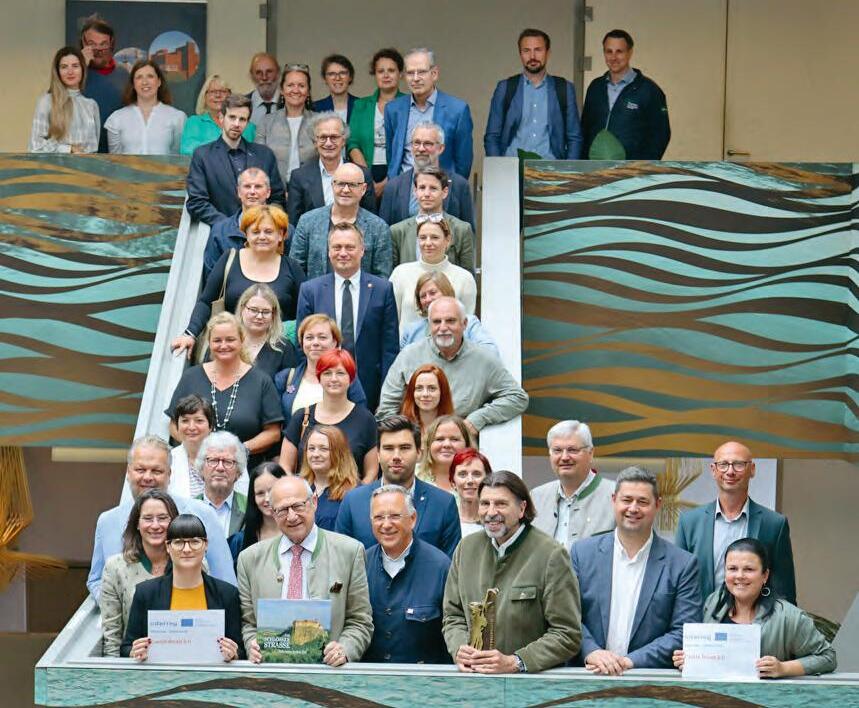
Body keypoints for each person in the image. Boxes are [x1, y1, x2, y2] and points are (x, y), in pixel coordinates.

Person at [442, 471, 582, 673]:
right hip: (473, 682)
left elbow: (567, 634)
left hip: (529, 685)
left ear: (522, 508)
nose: (491, 512)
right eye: (485, 503)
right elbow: (452, 615)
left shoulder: (551, 555)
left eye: (501, 504)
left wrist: (517, 662)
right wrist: (460, 649)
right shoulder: (466, 549)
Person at [571, 466, 701, 673]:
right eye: (627, 500)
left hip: (648, 679)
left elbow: (683, 631)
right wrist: (592, 651)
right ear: (614, 500)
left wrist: (629, 661)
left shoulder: (682, 564)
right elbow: (567, 617)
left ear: (658, 505)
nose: (633, 508)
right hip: (588, 675)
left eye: (642, 502)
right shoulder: (582, 553)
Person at [237, 475, 373, 665]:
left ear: (314, 502)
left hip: (329, 672)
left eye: (298, 506)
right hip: (271, 672)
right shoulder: (250, 559)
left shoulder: (349, 551)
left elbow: (360, 621)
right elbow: (249, 624)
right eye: (282, 510)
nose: (292, 516)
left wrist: (345, 649)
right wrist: (252, 645)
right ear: (273, 514)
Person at [87, 435, 236, 600]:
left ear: (169, 474)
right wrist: (116, 604)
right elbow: (96, 580)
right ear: (128, 472)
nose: (148, 477)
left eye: (156, 471)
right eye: (140, 470)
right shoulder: (107, 522)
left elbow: (226, 581)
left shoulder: (202, 514)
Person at [673, 538, 836, 678]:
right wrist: (691, 660)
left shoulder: (789, 617)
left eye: (749, 569)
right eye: (732, 569)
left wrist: (783, 668)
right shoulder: (713, 604)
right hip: (717, 697)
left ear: (765, 575)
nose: (739, 576)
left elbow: (827, 657)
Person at [377, 297, 529, 433]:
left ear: (464, 324)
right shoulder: (409, 356)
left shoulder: (483, 360)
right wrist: (406, 438)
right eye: (437, 322)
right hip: (414, 442)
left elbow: (517, 397)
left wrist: (477, 419)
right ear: (429, 325)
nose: (443, 328)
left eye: (450, 321)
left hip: (457, 445)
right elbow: (386, 409)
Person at [173, 205, 305, 359]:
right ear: (246, 234)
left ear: (281, 235)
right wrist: (190, 334)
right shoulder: (229, 259)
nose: (262, 237)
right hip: (227, 347)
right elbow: (206, 302)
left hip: (274, 353)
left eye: (269, 232)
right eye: (255, 232)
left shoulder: (292, 268)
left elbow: (306, 310)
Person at [676, 440, 797, 604]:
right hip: (702, 617)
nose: (730, 471)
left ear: (752, 469)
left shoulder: (774, 524)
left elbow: (784, 592)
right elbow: (678, 583)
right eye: (723, 464)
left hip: (756, 618)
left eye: (739, 464)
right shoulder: (689, 522)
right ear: (713, 470)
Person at [295, 221, 399, 410]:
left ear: (362, 250)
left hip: (371, 387)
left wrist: (386, 395)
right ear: (329, 251)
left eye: (350, 247)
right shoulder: (310, 290)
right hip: (323, 386)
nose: (343, 253)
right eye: (337, 247)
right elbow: (302, 344)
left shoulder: (382, 289)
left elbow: (389, 348)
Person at [166, 312, 283, 469]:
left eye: (230, 339)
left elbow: (273, 433)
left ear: (242, 340)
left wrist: (238, 451)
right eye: (217, 340)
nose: (223, 345)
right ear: (209, 343)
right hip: (194, 467)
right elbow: (173, 425)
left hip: (242, 470)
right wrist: (196, 448)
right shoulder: (191, 376)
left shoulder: (261, 381)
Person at [122, 514, 244, 661]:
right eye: (178, 542)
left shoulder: (227, 594)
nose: (187, 549)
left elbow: (241, 650)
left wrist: (233, 653)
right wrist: (135, 651)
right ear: (168, 547)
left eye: (195, 542)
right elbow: (126, 647)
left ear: (206, 545)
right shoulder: (146, 593)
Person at [336, 415, 461, 557]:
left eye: (404, 448)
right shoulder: (353, 502)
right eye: (388, 448)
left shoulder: (443, 504)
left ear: (419, 453)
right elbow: (341, 559)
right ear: (378, 455)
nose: (396, 456)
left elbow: (451, 565)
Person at [364, 484, 451, 663]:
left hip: (424, 677)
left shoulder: (440, 567)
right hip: (369, 676)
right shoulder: (360, 564)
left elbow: (453, 626)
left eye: (395, 516)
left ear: (412, 519)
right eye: (379, 517)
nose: (386, 525)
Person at [100, 489, 179, 657]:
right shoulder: (115, 567)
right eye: (148, 518)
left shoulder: (193, 563)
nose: (155, 525)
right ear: (136, 523)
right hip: (134, 664)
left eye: (163, 518)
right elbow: (112, 637)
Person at [186, 94, 285, 226]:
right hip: (221, 233)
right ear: (221, 118)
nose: (236, 124)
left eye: (242, 119)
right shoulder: (203, 155)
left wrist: (263, 224)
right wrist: (229, 226)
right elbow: (196, 202)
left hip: (260, 232)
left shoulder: (265, 155)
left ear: (247, 123)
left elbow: (277, 198)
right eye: (232, 117)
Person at [281, 349, 379, 483]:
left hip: (350, 493)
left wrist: (356, 494)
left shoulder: (365, 419)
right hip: (306, 494)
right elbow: (285, 466)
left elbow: (372, 472)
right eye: (327, 373)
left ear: (350, 378)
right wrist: (298, 490)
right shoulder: (302, 416)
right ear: (319, 378)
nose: (334, 379)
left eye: (340, 373)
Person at [484, 28, 582, 159]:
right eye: (526, 50)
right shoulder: (506, 87)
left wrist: (568, 169)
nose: (532, 56)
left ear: (548, 53)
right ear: (520, 54)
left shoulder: (564, 88)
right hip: (512, 167)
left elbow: (574, 137)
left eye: (538, 50)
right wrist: (499, 167)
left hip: (550, 168)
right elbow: (492, 136)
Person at [289, 162, 392, 279]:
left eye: (352, 185)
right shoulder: (307, 222)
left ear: (363, 189)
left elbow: (382, 276)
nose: (346, 190)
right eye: (341, 184)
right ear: (332, 185)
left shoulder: (379, 228)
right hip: (315, 291)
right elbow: (296, 271)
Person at [581, 29, 670, 160]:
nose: (613, 57)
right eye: (609, 51)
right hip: (595, 168)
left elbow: (661, 134)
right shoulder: (595, 87)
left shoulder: (649, 90)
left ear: (630, 52)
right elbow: (585, 129)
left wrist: (643, 166)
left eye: (619, 51)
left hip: (632, 169)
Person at [385, 48, 473, 179]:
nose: (415, 78)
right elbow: (392, 155)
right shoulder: (393, 109)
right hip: (403, 186)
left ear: (434, 74)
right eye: (410, 73)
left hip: (440, 186)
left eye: (421, 72)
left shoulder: (457, 110)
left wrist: (450, 187)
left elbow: (463, 162)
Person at [531, 420, 615, 548]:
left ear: (590, 453)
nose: (564, 457)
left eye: (572, 450)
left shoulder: (617, 496)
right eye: (557, 450)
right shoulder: (536, 497)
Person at [286, 113, 376, 228]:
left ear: (343, 141)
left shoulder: (362, 175)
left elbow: (371, 220)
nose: (328, 143)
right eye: (323, 137)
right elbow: (294, 224)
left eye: (334, 137)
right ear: (315, 142)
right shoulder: (299, 177)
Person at [379, 121, 474, 229]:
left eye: (428, 143)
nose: (421, 149)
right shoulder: (393, 186)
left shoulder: (459, 185)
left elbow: (468, 232)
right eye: (416, 143)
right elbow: (384, 232)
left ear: (441, 148)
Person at [390, 218, 476, 335]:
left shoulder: (465, 278)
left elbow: (467, 326)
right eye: (423, 238)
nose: (428, 243)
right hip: (407, 345)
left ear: (448, 240)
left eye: (434, 237)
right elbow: (391, 322)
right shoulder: (400, 273)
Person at [203, 168, 294, 280]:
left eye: (258, 187)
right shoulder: (220, 231)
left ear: (268, 192)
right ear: (238, 192)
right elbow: (211, 276)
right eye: (247, 186)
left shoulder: (285, 229)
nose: (252, 192)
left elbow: (293, 271)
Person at [274, 314, 367, 417]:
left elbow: (360, 416)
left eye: (322, 337)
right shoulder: (285, 378)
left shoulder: (347, 377)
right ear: (302, 343)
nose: (315, 343)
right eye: (309, 338)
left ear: (334, 342)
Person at [347, 48, 406, 200]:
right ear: (375, 75)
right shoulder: (361, 105)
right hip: (365, 172)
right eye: (380, 71)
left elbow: (409, 146)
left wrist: (388, 181)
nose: (386, 75)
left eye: (391, 70)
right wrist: (367, 177)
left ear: (400, 74)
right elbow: (352, 143)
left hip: (400, 174)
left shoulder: (409, 105)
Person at [390, 167, 474, 271]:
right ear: (415, 191)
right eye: (422, 188)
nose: (426, 194)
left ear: (445, 192)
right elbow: (393, 275)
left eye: (433, 188)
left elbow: (467, 274)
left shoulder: (462, 230)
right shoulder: (398, 231)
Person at [399, 272, 499, 355]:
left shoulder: (469, 323)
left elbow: (491, 352)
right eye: (423, 296)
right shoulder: (411, 331)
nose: (428, 299)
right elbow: (399, 364)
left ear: (446, 292)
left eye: (432, 293)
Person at [104, 60, 185, 154]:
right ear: (133, 84)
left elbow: (177, 157)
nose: (145, 82)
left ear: (159, 82)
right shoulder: (116, 118)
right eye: (139, 77)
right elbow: (114, 159)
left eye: (150, 76)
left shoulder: (177, 117)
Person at [255, 64, 316, 185]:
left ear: (308, 91)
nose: (296, 90)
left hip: (311, 189)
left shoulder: (320, 122)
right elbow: (258, 159)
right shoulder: (266, 122)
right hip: (274, 189)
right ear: (282, 90)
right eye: (290, 85)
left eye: (301, 86)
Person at [30, 46, 99, 154]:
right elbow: (35, 146)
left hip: (86, 164)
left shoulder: (91, 105)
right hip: (56, 164)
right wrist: (68, 149)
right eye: (64, 67)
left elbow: (93, 148)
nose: (70, 72)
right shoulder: (46, 101)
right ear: (58, 72)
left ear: (83, 69)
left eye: (75, 66)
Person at [79, 16, 129, 153]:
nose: (98, 50)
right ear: (83, 44)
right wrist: (80, 66)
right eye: (92, 44)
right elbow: (57, 102)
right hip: (81, 151)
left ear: (111, 44)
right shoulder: (72, 74)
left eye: (103, 44)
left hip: (116, 152)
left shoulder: (124, 75)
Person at [300, 425, 359, 531]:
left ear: (339, 453)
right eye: (311, 448)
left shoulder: (355, 492)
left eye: (323, 449)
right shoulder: (298, 485)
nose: (315, 454)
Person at [180, 74, 256, 155]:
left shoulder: (247, 126)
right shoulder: (194, 122)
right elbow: (187, 149)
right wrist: (225, 145)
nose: (218, 95)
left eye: (223, 91)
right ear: (205, 97)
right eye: (212, 92)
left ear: (230, 96)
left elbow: (250, 152)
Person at [234, 283, 298, 379]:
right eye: (254, 310)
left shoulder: (284, 348)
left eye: (266, 312)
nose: (259, 316)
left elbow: (290, 384)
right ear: (242, 309)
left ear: (273, 315)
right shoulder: (225, 341)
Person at [196, 431, 248, 539]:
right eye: (213, 460)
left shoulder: (249, 508)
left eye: (228, 462)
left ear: (238, 472)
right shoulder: (188, 509)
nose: (220, 468)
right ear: (201, 468)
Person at [231, 461, 287, 560]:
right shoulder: (239, 542)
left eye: (272, 490)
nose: (267, 498)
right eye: (260, 493)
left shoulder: (299, 534)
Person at [167, 394, 215, 499]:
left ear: (210, 426)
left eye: (199, 420)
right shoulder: (167, 460)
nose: (191, 427)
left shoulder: (229, 458)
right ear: (177, 426)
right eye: (185, 421)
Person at [398, 363, 455, 445]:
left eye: (432, 388)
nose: (425, 394)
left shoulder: (455, 429)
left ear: (442, 392)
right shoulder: (400, 428)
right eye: (419, 388)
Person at [416, 415, 471, 490]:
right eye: (440, 439)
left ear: (467, 444)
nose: (447, 444)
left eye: (454, 439)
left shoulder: (477, 479)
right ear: (429, 445)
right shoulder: (412, 475)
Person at [449, 448, 492, 537]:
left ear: (487, 480)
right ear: (453, 482)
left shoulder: (495, 521)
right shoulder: (446, 521)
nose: (470, 480)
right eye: (462, 474)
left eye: (476, 474)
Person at [312, 54, 358, 120]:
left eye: (342, 73)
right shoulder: (315, 109)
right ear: (325, 79)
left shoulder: (362, 106)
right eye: (332, 74)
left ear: (350, 77)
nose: (337, 78)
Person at [246, 53, 284, 126]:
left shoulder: (291, 103)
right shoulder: (241, 105)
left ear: (278, 73)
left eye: (269, 71)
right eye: (258, 72)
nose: (264, 77)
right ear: (251, 76)